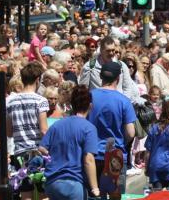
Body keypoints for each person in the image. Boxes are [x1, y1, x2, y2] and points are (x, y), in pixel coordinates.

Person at [39, 85, 100, 200]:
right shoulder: (89, 128)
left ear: (71, 105)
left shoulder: (57, 125)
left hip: (52, 182)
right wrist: (95, 188)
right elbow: (89, 159)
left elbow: (42, 148)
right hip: (73, 183)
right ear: (90, 106)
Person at [86, 61, 137, 194]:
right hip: (116, 156)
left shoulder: (89, 97)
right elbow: (131, 133)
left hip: (92, 155)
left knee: (94, 195)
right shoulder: (124, 101)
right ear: (118, 78)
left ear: (101, 77)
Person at [6, 62, 49, 200]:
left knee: (25, 192)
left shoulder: (10, 101)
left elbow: (9, 132)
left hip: (20, 152)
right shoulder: (41, 100)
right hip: (38, 151)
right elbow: (43, 130)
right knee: (43, 192)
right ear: (38, 79)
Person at [78, 36, 141, 104]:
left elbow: (127, 88)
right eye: (108, 51)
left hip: (117, 106)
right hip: (98, 106)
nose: (111, 53)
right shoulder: (89, 66)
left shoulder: (122, 66)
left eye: (113, 50)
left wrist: (122, 104)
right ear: (101, 50)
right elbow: (83, 90)